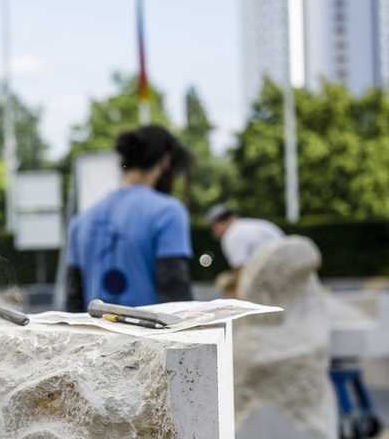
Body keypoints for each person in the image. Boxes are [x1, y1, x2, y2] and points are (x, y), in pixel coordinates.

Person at [65, 125, 193, 312]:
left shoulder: (81, 220)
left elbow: (73, 301)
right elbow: (175, 294)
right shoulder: (168, 212)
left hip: (96, 338)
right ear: (165, 161)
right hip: (149, 338)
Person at [206, 204, 284, 295]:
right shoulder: (252, 225)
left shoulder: (232, 235)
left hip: (272, 276)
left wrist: (237, 295)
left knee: (224, 281)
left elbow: (240, 269)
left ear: (217, 225)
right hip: (285, 268)